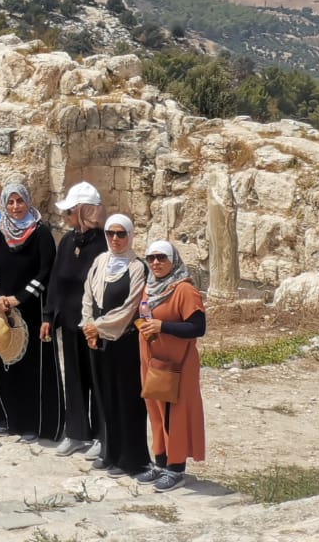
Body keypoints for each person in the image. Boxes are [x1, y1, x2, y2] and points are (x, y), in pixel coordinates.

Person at [0, 180, 62, 443]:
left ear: (28, 201)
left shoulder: (40, 233)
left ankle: (33, 423)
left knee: (30, 368)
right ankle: (7, 418)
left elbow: (46, 271)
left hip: (30, 309)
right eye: (10, 201)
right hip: (2, 308)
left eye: (20, 201)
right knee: (3, 362)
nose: (15, 207)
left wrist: (19, 298)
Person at [80, 214, 150, 477]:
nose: (116, 239)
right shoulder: (100, 261)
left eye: (121, 234)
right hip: (98, 342)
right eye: (111, 233)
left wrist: (97, 326)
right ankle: (109, 452)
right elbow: (88, 295)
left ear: (130, 236)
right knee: (104, 398)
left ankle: (130, 459)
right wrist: (88, 326)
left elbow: (129, 308)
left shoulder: (137, 267)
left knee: (126, 399)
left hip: (123, 343)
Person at [43, 181, 109, 459]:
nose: (66, 217)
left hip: (94, 326)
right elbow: (56, 280)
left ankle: (102, 437)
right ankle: (76, 433)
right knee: (75, 379)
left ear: (83, 211)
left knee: (98, 380)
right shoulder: (68, 241)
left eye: (70, 212)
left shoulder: (105, 242)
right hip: (70, 324)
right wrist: (48, 316)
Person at [136, 240, 206, 492]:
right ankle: (160, 461)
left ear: (173, 260)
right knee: (156, 412)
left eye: (161, 258)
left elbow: (198, 327)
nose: (156, 263)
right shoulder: (151, 287)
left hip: (177, 364)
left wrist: (162, 327)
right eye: (151, 258)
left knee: (174, 415)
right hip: (153, 362)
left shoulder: (184, 290)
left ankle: (176, 469)